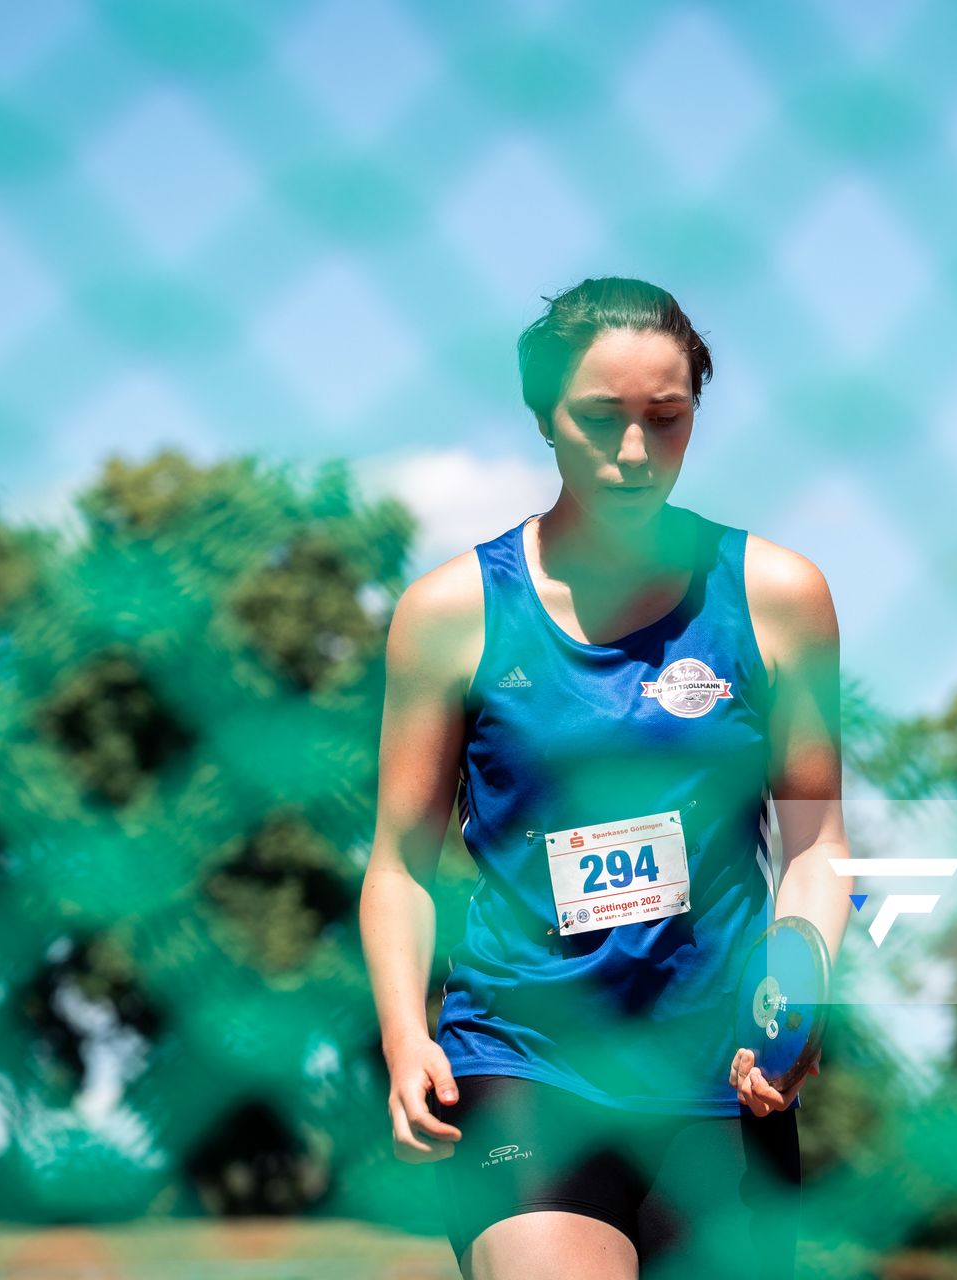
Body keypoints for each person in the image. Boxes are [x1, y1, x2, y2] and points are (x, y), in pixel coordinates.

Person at [359, 276, 853, 1280]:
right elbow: (400, 865)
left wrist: (799, 989)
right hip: (523, 1060)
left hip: (722, 1076)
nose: (635, 451)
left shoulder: (778, 597)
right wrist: (407, 1035)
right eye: (601, 417)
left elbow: (817, 846)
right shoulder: (452, 612)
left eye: (666, 420)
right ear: (544, 416)